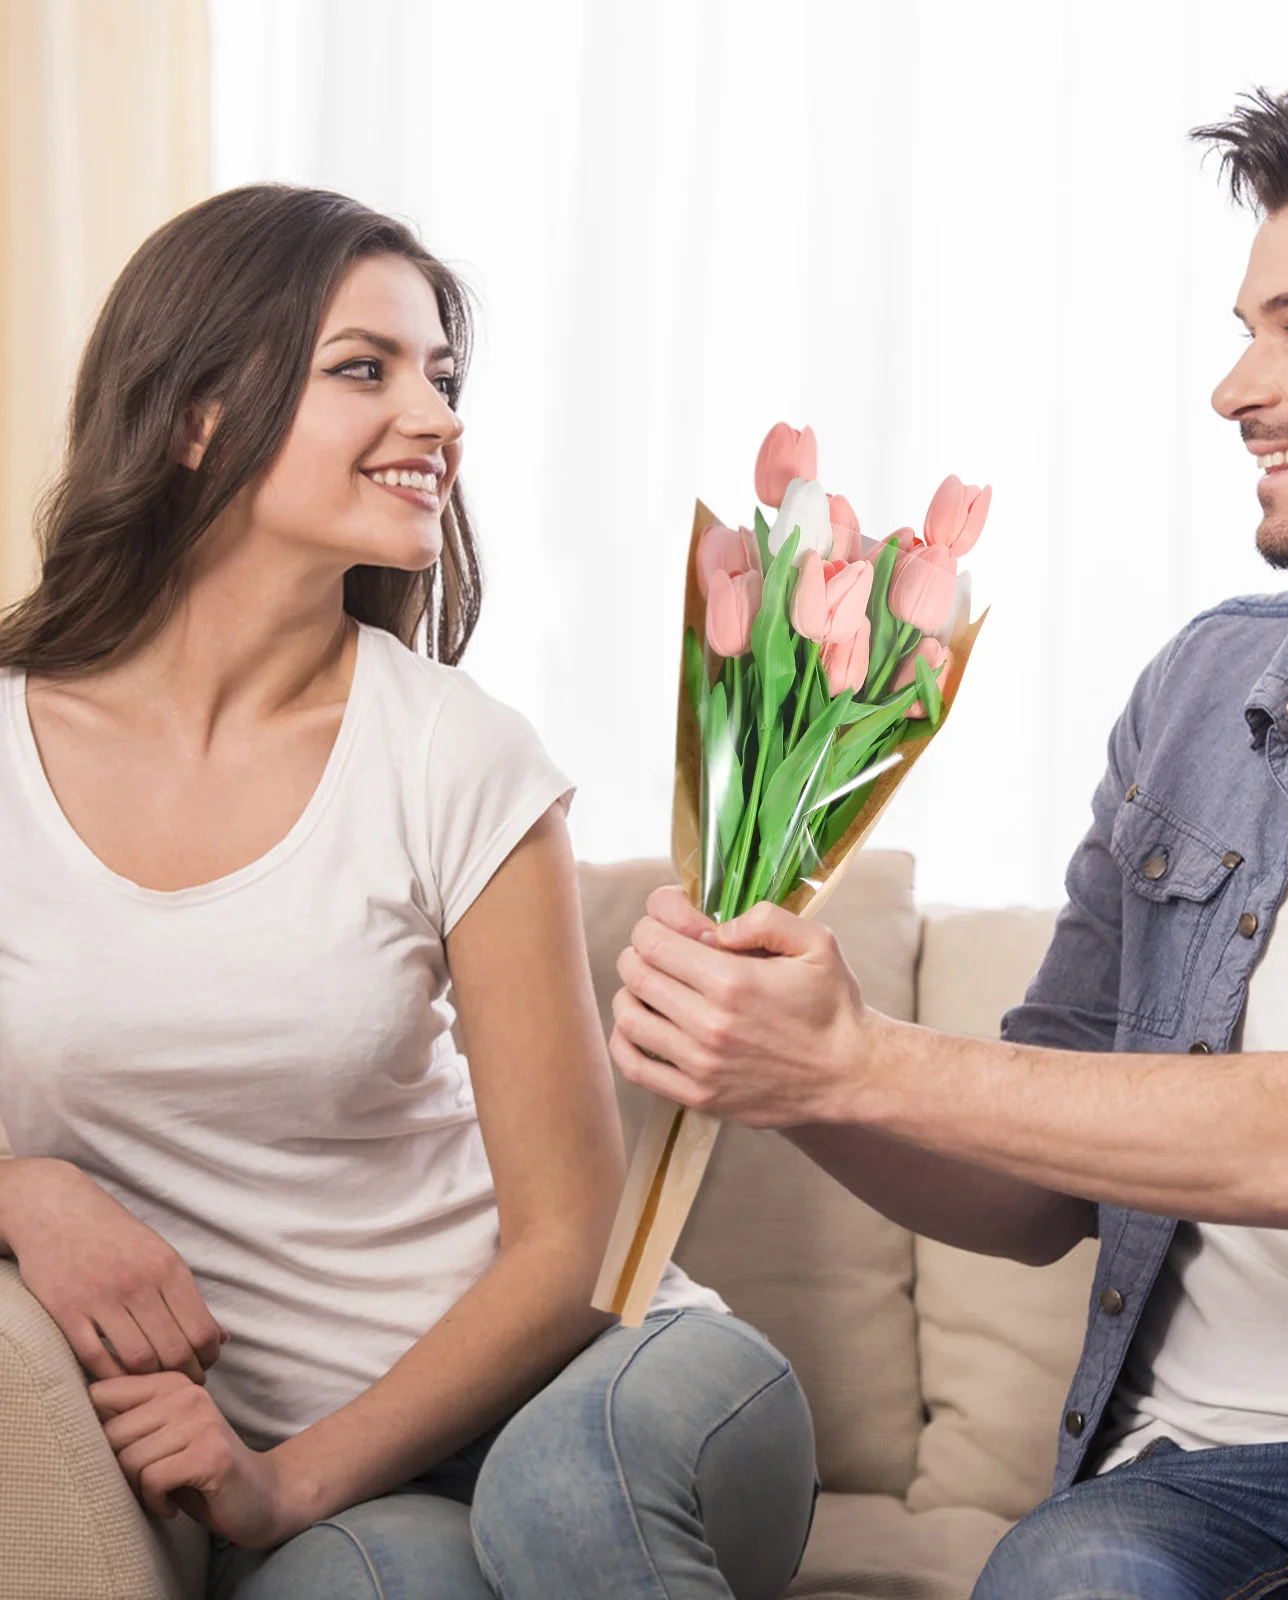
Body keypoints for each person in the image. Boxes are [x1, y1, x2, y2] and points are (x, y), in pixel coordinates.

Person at [614, 67, 1288, 1599]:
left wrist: (862, 1059)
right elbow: (1029, 1195)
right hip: (1193, 1476)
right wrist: (785, 1065)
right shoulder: (1207, 692)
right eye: (1244, 329)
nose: (1234, 387)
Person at [0, 183, 815, 1600]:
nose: (439, 416)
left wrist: (281, 1483)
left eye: (441, 375)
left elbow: (570, 1244)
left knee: (562, 1506)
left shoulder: (455, 751)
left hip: (619, 1386)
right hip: (373, 1491)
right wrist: (21, 1192)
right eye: (365, 369)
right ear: (196, 414)